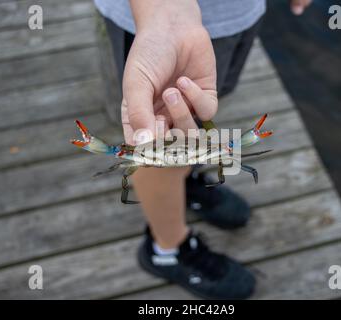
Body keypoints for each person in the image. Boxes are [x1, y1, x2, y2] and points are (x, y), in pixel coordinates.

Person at [94, 0, 312, 299]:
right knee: (156, 142)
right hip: (152, 20)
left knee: (199, 113)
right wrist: (164, 14)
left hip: (235, 15)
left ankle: (185, 180)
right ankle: (166, 249)